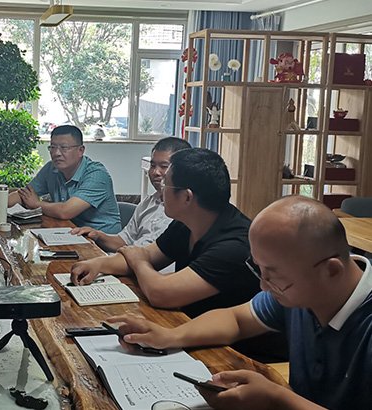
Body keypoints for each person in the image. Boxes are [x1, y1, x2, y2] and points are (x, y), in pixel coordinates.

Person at [106, 196, 372, 409]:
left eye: (275, 276)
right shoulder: (304, 292)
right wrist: (170, 336)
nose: (263, 286)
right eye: (259, 270)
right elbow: (236, 319)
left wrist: (276, 398)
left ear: (331, 270)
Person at [70, 148, 259, 318]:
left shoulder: (234, 245)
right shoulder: (187, 223)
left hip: (227, 344)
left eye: (166, 185)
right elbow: (149, 255)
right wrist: (98, 264)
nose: (161, 190)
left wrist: (138, 261)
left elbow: (161, 294)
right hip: (187, 324)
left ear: (187, 197)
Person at [0, 125, 121, 234]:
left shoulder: (97, 175)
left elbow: (66, 211)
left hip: (101, 243)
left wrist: (36, 204)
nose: (56, 153)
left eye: (64, 148)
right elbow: (24, 194)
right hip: (69, 233)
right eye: (52, 147)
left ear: (81, 150)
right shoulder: (52, 168)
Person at [70, 137, 191, 252]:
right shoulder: (148, 203)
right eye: (153, 166)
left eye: (164, 166)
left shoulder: (185, 214)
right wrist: (98, 235)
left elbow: (150, 257)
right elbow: (124, 241)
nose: (156, 172)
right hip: (128, 261)